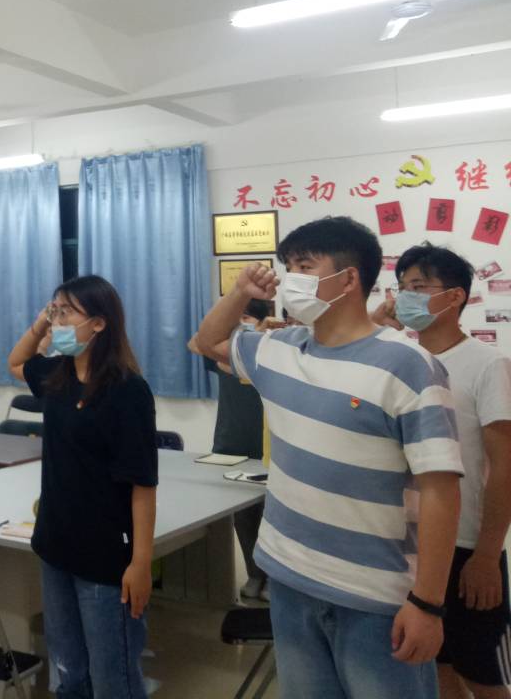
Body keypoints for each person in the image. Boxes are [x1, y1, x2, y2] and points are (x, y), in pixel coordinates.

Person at [194, 216, 463, 699]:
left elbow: (442, 491)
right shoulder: (280, 348)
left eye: (304, 266)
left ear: (348, 278)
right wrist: (239, 293)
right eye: (288, 267)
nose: (290, 278)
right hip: (289, 576)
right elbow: (206, 342)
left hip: (374, 595)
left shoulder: (408, 365)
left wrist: (428, 603)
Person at [8, 275, 158, 699]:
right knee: (68, 672)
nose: (57, 321)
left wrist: (141, 563)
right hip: (55, 544)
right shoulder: (57, 376)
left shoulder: (127, 390)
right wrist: (42, 321)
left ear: (99, 323)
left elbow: (143, 484)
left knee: (113, 679)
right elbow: (16, 362)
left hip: (105, 555)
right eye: (54, 311)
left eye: (65, 313)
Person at [374, 243, 511, 699]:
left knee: (483, 675)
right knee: (434, 663)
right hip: (413, 542)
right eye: (401, 287)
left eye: (418, 287)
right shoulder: (403, 360)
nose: (404, 297)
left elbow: (504, 466)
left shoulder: (487, 364)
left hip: (467, 545)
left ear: (455, 297)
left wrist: (487, 556)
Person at [192, 298, 272, 601]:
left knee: (270, 516)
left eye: (246, 318)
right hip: (230, 445)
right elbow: (195, 343)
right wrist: (230, 322)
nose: (240, 324)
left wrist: (262, 334)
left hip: (267, 449)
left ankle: (273, 578)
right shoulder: (226, 357)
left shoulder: (270, 357)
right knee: (243, 517)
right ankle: (254, 574)